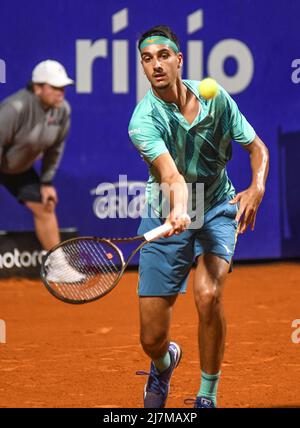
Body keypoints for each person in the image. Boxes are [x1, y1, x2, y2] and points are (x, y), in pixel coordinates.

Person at [128, 25, 269, 408]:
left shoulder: (216, 99)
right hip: (165, 214)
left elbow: (257, 148)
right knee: (150, 338)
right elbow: (170, 175)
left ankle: (207, 395)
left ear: (178, 60)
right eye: (146, 58)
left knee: (208, 295)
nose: (155, 65)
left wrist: (256, 187)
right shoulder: (143, 122)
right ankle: (165, 361)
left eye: (162, 56)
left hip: (217, 208)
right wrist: (177, 209)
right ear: (142, 66)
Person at [0, 59, 73, 251]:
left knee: (45, 206)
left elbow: (54, 149)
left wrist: (46, 182)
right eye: (55, 87)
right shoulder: (14, 108)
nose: (61, 92)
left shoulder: (63, 110)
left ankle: (57, 265)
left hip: (18, 167)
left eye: (63, 87)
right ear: (38, 88)